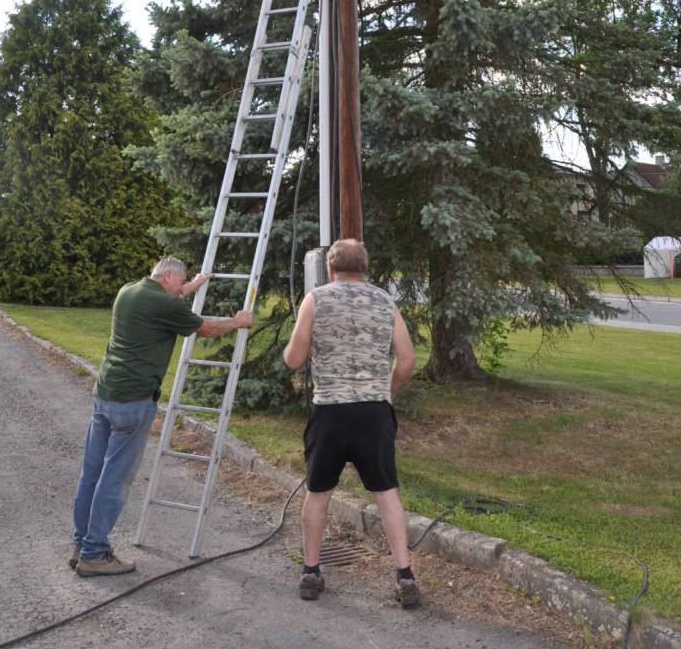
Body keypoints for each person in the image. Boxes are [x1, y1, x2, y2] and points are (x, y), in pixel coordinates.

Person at [71, 256, 253, 577]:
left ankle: (81, 545)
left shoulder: (129, 291)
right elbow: (207, 329)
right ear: (168, 277)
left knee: (92, 473)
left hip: (106, 395)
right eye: (180, 283)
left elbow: (170, 298)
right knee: (115, 478)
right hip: (134, 401)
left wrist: (194, 285)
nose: (181, 289)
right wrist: (238, 321)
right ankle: (95, 553)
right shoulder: (165, 305)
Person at [283, 238, 420, 608]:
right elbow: (407, 360)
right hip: (374, 413)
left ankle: (311, 571)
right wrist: (386, 393)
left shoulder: (316, 299)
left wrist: (295, 347)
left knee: (318, 492)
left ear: (330, 268)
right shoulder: (385, 301)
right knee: (386, 493)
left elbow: (294, 360)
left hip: (330, 412)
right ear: (365, 268)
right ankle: (405, 575)